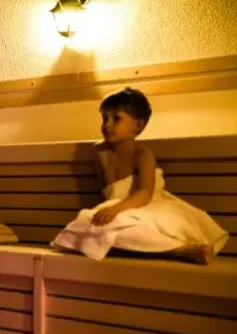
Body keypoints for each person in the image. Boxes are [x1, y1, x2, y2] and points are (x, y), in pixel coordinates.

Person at [50, 87, 228, 264]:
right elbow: (108, 191)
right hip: (117, 210)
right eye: (105, 118)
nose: (107, 124)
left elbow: (144, 193)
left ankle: (182, 249)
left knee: (129, 229)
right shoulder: (100, 153)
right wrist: (109, 207)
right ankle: (150, 248)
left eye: (116, 119)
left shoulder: (143, 155)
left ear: (138, 125)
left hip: (146, 207)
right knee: (85, 226)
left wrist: (116, 209)